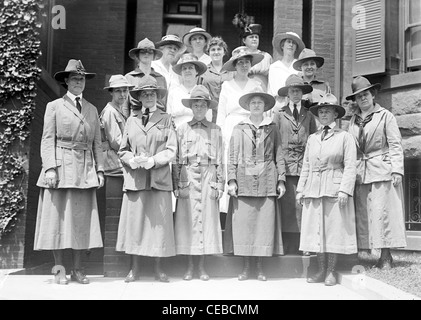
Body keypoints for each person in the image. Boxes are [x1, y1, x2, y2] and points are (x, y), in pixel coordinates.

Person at [34, 59, 104, 285]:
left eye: (82, 79)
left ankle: (78, 269)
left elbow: (97, 144)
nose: (78, 82)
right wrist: (50, 168)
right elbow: (47, 140)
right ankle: (59, 270)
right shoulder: (54, 106)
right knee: (57, 221)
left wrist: (100, 171)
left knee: (81, 223)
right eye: (74, 78)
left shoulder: (92, 109)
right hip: (61, 169)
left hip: (84, 171)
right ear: (66, 81)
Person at [116, 76, 177, 283]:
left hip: (158, 179)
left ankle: (159, 269)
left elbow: (171, 150)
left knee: (159, 226)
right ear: (139, 97)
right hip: (136, 180)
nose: (149, 97)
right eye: (145, 93)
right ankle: (134, 269)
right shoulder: (131, 120)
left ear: (158, 97)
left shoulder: (167, 119)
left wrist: (153, 161)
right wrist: (131, 160)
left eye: (153, 93)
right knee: (135, 225)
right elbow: (122, 150)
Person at [296, 93, 357, 286]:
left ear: (335, 115)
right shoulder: (313, 138)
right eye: (320, 111)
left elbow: (350, 166)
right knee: (317, 232)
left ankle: (331, 271)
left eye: (327, 111)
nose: (323, 114)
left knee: (333, 231)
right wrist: (301, 189)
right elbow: (306, 165)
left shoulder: (344, 137)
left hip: (334, 189)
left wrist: (344, 190)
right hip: (314, 188)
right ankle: (321, 270)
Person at [346, 76, 407, 269]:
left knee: (383, 212)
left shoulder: (385, 116)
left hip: (382, 168)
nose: (363, 99)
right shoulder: (353, 120)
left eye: (365, 94)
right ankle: (363, 252)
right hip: (360, 171)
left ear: (373, 95)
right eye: (358, 97)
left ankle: (386, 256)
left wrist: (397, 169)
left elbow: (396, 144)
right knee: (363, 212)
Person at [226, 87, 286, 281]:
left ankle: (259, 267)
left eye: (260, 103)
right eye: (253, 103)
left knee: (263, 225)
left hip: (267, 179)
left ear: (265, 106)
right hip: (244, 180)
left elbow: (279, 154)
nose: (256, 106)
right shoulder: (239, 127)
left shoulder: (272, 127)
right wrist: (232, 179)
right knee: (244, 225)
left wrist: (281, 180)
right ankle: (245, 267)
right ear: (248, 106)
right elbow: (232, 155)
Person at [172, 85, 224, 281]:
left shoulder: (216, 130)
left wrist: (219, 184)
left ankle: (202, 267)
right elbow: (176, 159)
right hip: (188, 176)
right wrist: (177, 184)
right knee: (188, 223)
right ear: (191, 107)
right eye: (196, 105)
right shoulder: (182, 129)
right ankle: (189, 267)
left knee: (207, 223)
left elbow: (220, 159)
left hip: (208, 175)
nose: (199, 108)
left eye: (203, 105)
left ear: (207, 107)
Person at [274, 74, 318, 255]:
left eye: (298, 91)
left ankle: (304, 244)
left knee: (303, 206)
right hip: (285, 165)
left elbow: (314, 140)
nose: (295, 94)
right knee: (287, 206)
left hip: (304, 165)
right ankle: (286, 244)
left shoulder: (309, 115)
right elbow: (275, 142)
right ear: (287, 94)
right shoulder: (279, 114)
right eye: (292, 91)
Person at [216, 47, 263, 213]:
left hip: (251, 127)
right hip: (231, 127)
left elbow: (262, 110)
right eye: (240, 62)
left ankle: (248, 203)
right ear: (235, 65)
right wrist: (219, 134)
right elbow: (221, 113)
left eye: (247, 62)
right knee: (230, 162)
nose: (244, 65)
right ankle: (227, 208)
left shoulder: (256, 85)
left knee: (249, 163)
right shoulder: (227, 86)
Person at [100, 75, 134, 177]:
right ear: (111, 92)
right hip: (112, 164)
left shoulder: (119, 110)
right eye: (118, 91)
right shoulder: (110, 111)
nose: (122, 94)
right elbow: (116, 142)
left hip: (117, 161)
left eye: (125, 90)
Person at [167, 53, 211, 129]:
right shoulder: (173, 92)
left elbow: (209, 118)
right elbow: (168, 117)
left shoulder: (203, 92)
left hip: (199, 132)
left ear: (196, 72)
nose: (187, 71)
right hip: (177, 133)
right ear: (181, 72)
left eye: (190, 68)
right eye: (184, 68)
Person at [232, 13, 273, 91]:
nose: (254, 39)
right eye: (251, 37)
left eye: (256, 37)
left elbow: (272, 79)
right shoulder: (238, 56)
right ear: (244, 40)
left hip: (263, 91)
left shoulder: (266, 57)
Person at [268, 32, 305, 115]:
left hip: (296, 106)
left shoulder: (299, 66)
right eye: (288, 42)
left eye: (294, 43)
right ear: (282, 46)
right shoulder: (274, 67)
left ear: (296, 48)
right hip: (278, 106)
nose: (291, 45)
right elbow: (270, 91)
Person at [126, 38, 168, 111]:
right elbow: (125, 106)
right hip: (135, 118)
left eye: (150, 52)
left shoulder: (160, 78)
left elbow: (163, 104)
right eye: (143, 51)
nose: (146, 54)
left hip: (156, 119)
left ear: (154, 56)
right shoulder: (129, 77)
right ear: (137, 55)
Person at [201, 36, 234, 123]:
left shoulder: (231, 71)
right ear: (209, 53)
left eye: (219, 49)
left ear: (224, 52)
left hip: (227, 113)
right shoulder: (203, 71)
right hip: (208, 113)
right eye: (213, 50)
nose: (216, 52)